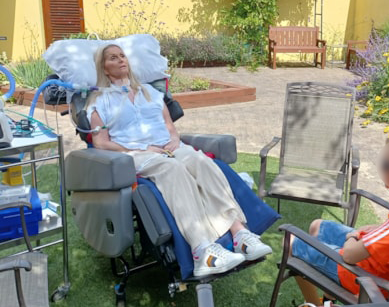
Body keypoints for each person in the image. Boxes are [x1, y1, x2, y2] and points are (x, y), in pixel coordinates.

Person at [85, 44, 272, 277]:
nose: (121, 60)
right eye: (113, 58)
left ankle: (239, 234)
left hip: (169, 146)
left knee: (201, 162)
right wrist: (141, 147)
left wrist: (174, 139)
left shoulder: (149, 92)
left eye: (123, 55)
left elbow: (169, 126)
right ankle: (202, 249)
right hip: (134, 153)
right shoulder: (99, 100)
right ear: (103, 67)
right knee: (172, 169)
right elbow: (101, 142)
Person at [288, 134, 389, 304]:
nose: (383, 168)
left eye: (388, 165)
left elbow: (349, 255)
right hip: (383, 263)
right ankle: (328, 300)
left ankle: (316, 304)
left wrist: (354, 236)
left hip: (367, 278)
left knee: (290, 242)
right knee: (317, 227)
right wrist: (378, 229)